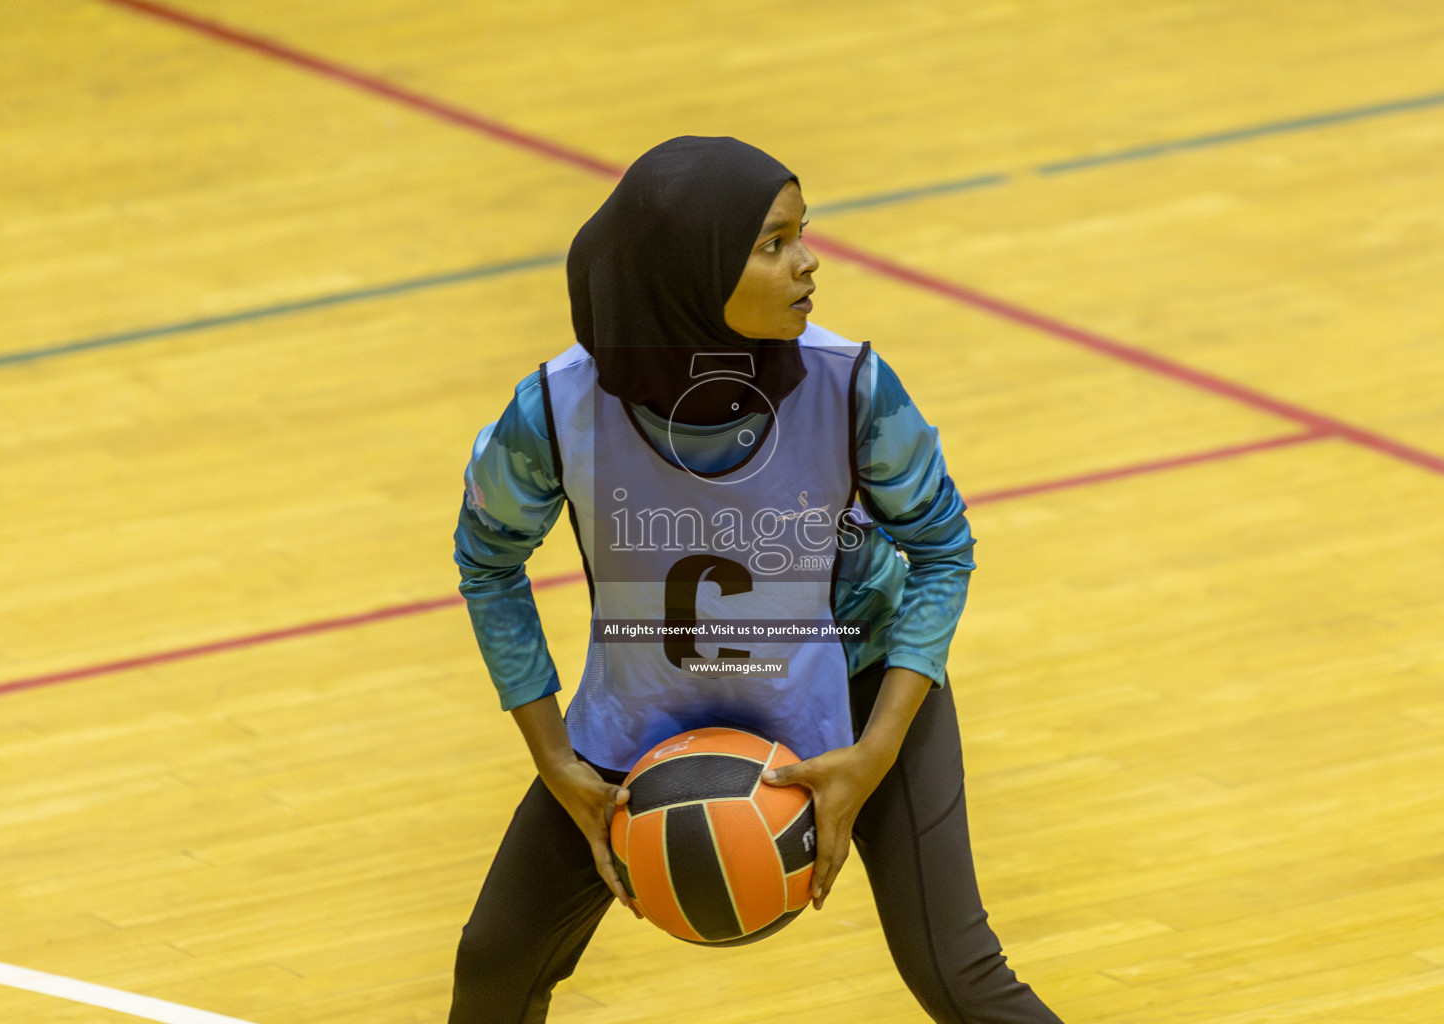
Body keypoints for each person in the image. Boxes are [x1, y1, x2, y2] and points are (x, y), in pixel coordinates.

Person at [448, 136, 1062, 1024]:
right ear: (688, 275)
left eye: (802, 234)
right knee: (495, 961)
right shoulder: (557, 408)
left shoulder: (852, 385)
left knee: (956, 973)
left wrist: (879, 748)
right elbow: (487, 559)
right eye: (774, 244)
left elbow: (941, 548)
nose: (810, 263)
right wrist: (551, 756)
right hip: (641, 715)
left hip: (855, 698)